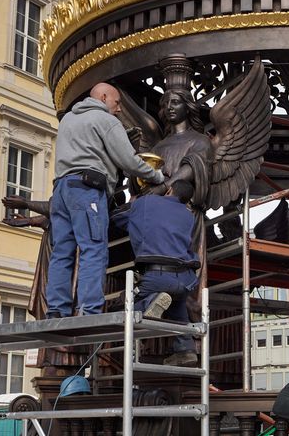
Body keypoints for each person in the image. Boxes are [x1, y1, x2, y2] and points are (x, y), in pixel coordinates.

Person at [45, 82, 165, 317]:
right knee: (93, 249)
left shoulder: (68, 119)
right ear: (102, 96)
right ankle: (90, 310)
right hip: (87, 190)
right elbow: (128, 161)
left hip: (61, 190)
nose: (119, 109)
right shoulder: (106, 121)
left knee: (62, 252)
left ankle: (56, 310)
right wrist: (156, 175)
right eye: (117, 102)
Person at [111, 180, 200, 366]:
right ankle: (186, 350)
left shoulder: (146, 203)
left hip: (157, 275)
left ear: (169, 189)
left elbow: (116, 216)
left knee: (123, 310)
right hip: (184, 278)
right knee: (177, 309)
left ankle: (150, 302)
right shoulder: (188, 215)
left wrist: (135, 203)